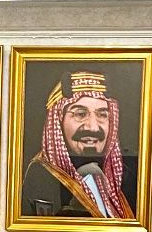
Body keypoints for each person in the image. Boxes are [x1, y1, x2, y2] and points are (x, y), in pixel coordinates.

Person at [21, 69, 139, 219]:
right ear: (59, 121)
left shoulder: (127, 176)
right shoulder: (41, 176)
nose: (93, 127)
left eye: (102, 115)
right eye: (80, 114)